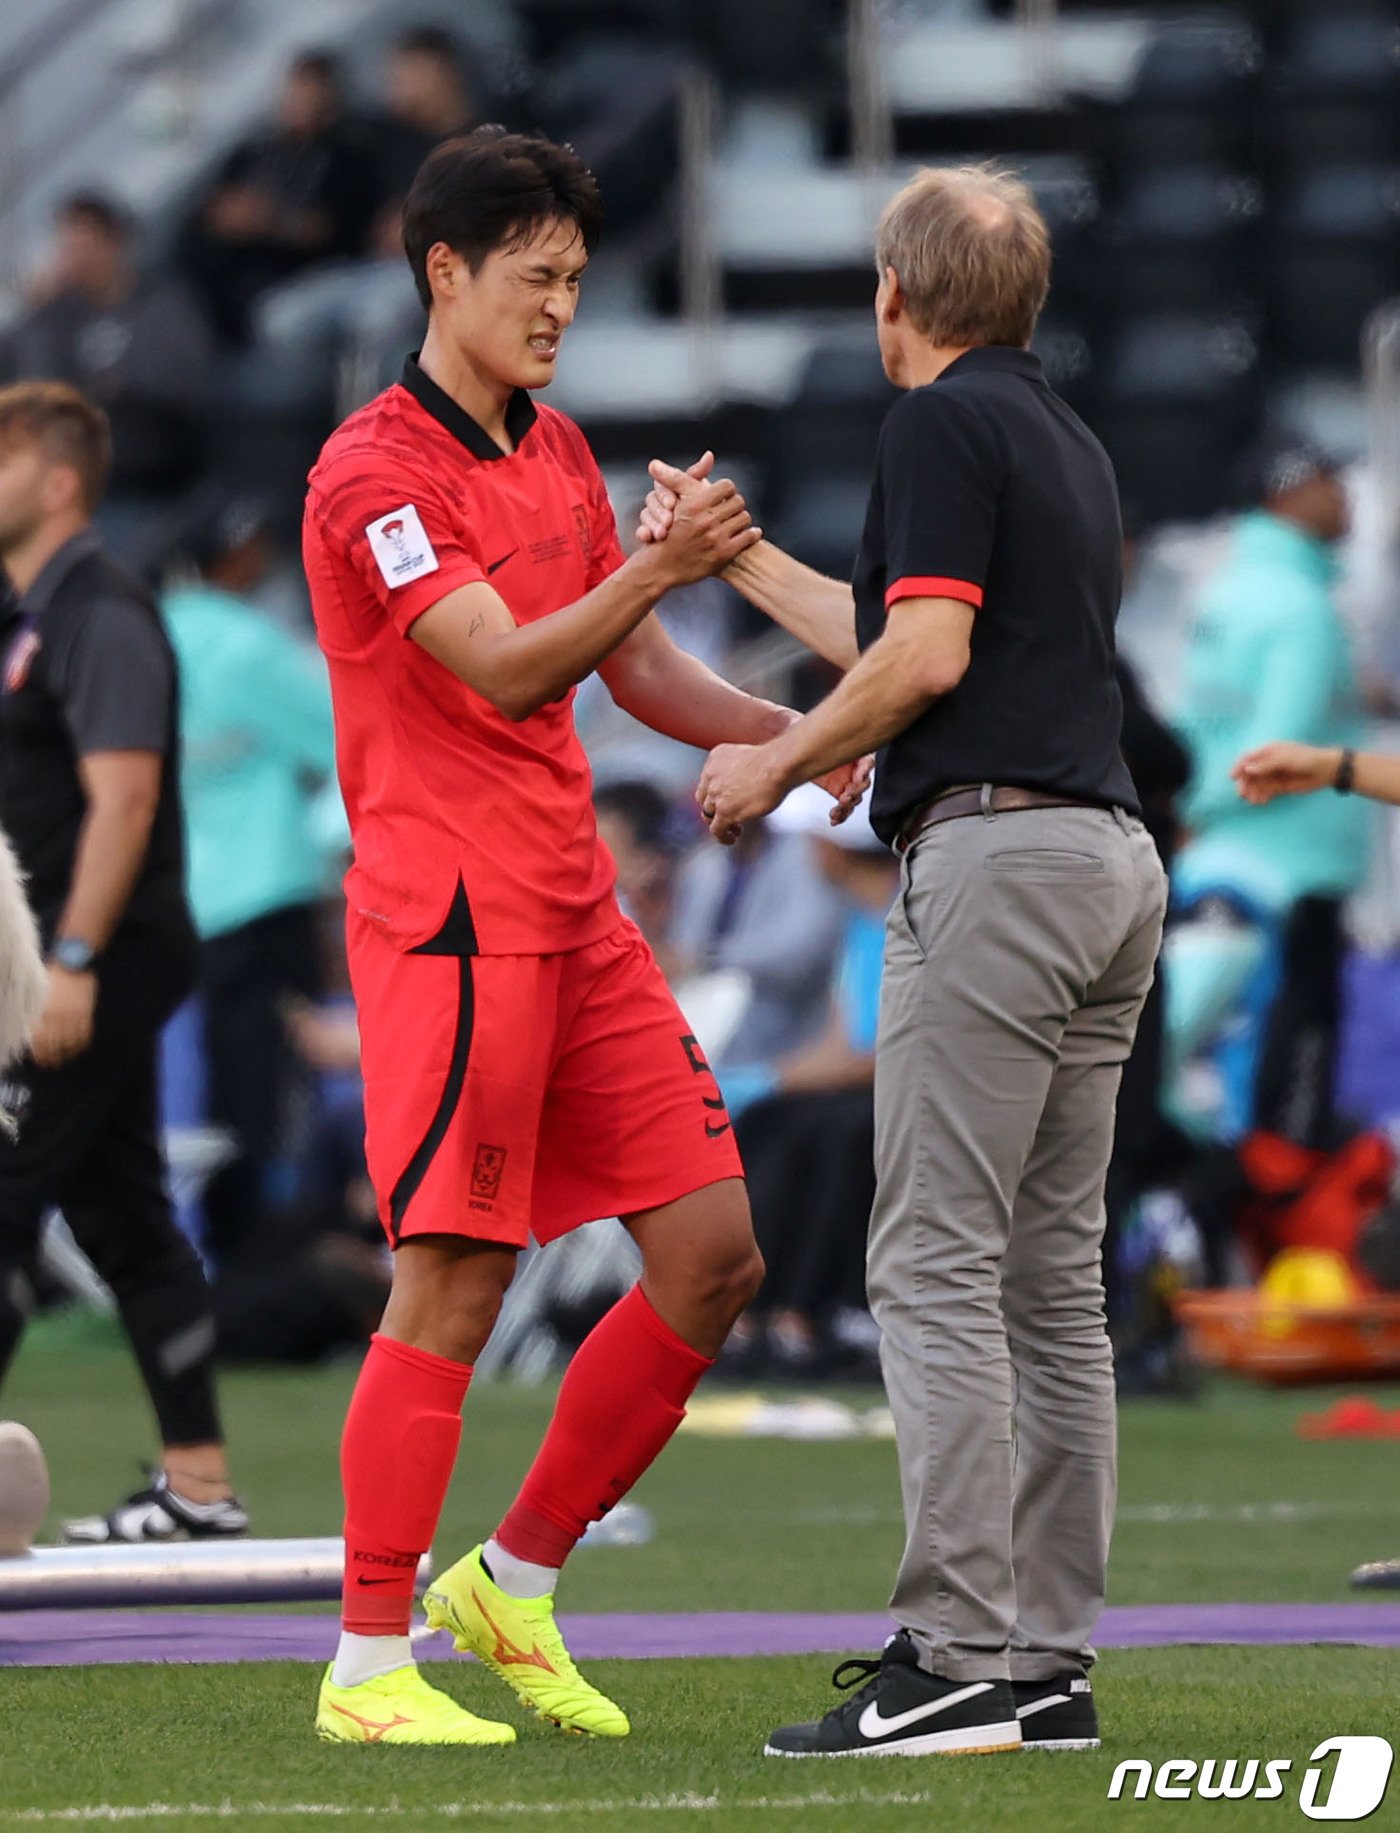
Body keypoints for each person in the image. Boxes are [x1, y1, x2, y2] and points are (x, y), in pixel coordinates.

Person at [301, 127, 867, 1748]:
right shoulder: (372, 473)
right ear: (445, 271)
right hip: (456, 924)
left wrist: (805, 733)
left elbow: (636, 671)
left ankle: (514, 1578)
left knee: (714, 1253)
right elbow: (502, 663)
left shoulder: (553, 449)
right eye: (534, 278)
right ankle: (364, 1666)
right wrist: (654, 567)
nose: (559, 307)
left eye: (574, 280)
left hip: (576, 911)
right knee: (457, 1280)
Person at [645, 163, 1167, 1757]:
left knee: (931, 1263)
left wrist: (778, 759)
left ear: (893, 295)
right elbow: (913, 631)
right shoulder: (1058, 437)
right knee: (1051, 1284)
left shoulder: (936, 427)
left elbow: (922, 660)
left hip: (1001, 862)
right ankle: (1042, 1665)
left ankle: (949, 1652)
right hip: (1107, 861)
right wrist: (735, 560)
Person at [0, 381, 246, 1542]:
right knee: (127, 1220)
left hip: (90, 958)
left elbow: (126, 795)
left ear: (55, 481)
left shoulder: (99, 609)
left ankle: (200, 1487)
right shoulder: (35, 615)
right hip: (61, 958)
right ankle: (198, 1487)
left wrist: (74, 962)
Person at [1168, 434, 1371, 1146]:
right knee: (1285, 1105)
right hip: (1292, 877)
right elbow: (1282, 749)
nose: (1344, 496)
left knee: (1220, 1071)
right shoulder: (1301, 607)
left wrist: (1191, 812)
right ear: (1287, 493)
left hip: (1224, 865)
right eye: (1328, 480)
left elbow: (1205, 723)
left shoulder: (1228, 591)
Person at [162, 497, 338, 1262]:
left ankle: (228, 1254)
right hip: (265, 893)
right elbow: (345, 737)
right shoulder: (251, 645)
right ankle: (262, 1261)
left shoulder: (156, 637)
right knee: (271, 1093)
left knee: (215, 1087)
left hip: (188, 895)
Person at [0, 193, 213, 528]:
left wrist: (114, 385)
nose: (79, 258)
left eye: (87, 245)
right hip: (82, 474)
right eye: (70, 248)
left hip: (155, 469)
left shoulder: (160, 299)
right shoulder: (61, 315)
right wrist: (38, 311)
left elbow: (185, 381)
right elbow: (37, 386)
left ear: (114, 242)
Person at [180, 51, 374, 347]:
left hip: (303, 278)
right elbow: (210, 209)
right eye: (296, 90)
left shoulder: (345, 155)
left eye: (312, 93)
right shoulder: (254, 151)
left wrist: (266, 220)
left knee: (279, 317)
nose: (301, 102)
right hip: (226, 278)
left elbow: (330, 230)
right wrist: (230, 216)